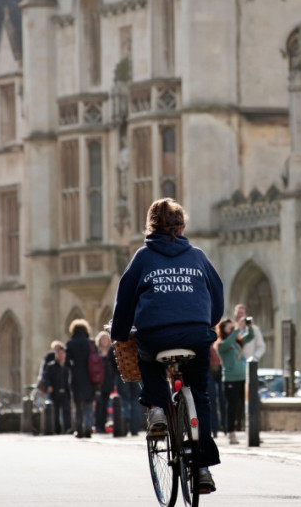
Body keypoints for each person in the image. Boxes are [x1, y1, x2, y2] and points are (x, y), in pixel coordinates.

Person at [109, 198, 224, 493]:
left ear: (151, 227)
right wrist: (206, 323)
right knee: (200, 394)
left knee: (147, 358)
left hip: (155, 334)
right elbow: (218, 292)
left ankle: (158, 408)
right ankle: (202, 468)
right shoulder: (198, 256)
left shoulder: (143, 257)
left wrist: (120, 334)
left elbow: (124, 300)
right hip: (197, 336)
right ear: (182, 226)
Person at [66, 318, 97, 438]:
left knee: (78, 404)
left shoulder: (70, 343)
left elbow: (67, 362)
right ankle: (88, 427)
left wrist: (73, 367)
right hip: (90, 376)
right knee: (88, 403)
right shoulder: (90, 343)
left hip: (76, 376)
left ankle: (79, 429)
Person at [216, 318, 245, 445]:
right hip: (230, 379)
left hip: (242, 377)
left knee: (245, 406)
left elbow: (249, 338)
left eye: (232, 328)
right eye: (229, 328)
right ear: (223, 330)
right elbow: (228, 342)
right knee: (232, 407)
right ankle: (231, 433)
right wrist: (237, 329)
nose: (232, 330)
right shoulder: (221, 345)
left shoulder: (235, 342)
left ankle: (250, 431)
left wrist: (249, 327)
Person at [42, 343, 72, 434]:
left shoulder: (67, 367)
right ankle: (57, 430)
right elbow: (46, 378)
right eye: (59, 354)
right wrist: (49, 386)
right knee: (55, 412)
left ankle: (68, 428)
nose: (61, 356)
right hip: (55, 391)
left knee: (66, 411)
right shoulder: (51, 366)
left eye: (62, 354)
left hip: (65, 391)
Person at [94, 331, 115, 434]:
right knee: (99, 404)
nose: (104, 341)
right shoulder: (96, 352)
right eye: (102, 339)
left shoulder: (112, 352)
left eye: (106, 339)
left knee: (105, 405)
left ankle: (102, 426)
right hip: (98, 382)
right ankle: (98, 425)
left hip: (108, 382)